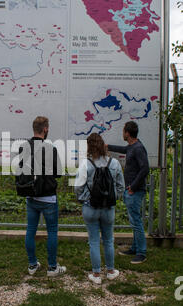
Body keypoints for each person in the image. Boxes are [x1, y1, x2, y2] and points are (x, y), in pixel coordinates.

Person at [18, 116, 66, 277]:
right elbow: (58, 174)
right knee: (52, 231)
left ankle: (32, 265)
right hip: (48, 198)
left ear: (34, 129)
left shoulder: (23, 147)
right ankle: (52, 268)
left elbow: (22, 171)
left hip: (31, 196)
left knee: (30, 230)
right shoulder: (50, 148)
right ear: (45, 129)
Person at [74, 133, 125, 284]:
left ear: (89, 147)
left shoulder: (85, 164)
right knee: (109, 240)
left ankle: (96, 275)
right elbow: (121, 186)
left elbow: (77, 187)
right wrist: (113, 198)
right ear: (103, 145)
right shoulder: (114, 163)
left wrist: (84, 198)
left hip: (90, 207)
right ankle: (110, 271)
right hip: (108, 208)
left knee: (94, 241)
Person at [107, 121, 149, 264]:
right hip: (132, 190)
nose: (122, 133)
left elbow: (145, 168)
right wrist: (108, 147)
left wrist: (133, 187)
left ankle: (141, 252)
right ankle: (135, 247)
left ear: (127, 133)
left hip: (134, 191)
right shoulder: (132, 147)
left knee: (136, 222)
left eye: (124, 131)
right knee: (134, 221)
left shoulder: (138, 148)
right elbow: (124, 150)